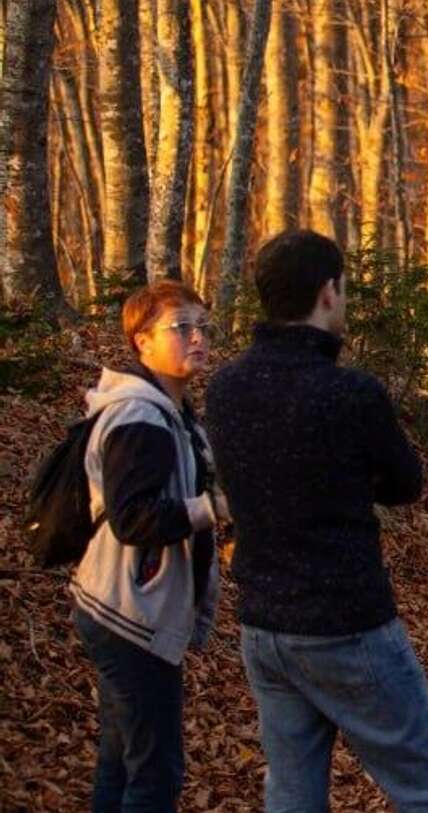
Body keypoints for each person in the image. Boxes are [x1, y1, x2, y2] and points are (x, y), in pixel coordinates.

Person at [207, 230, 428, 812]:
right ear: (328, 292)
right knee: (427, 790)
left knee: (293, 795)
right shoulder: (349, 392)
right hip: (347, 624)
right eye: (342, 290)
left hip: (264, 626)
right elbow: (405, 484)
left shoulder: (226, 388)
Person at [69, 281, 226, 812]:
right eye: (181, 328)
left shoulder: (172, 413)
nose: (198, 338)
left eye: (203, 326)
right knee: (155, 775)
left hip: (127, 608)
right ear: (141, 342)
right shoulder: (140, 418)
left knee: (121, 761)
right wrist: (215, 509)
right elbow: (132, 519)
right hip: (128, 613)